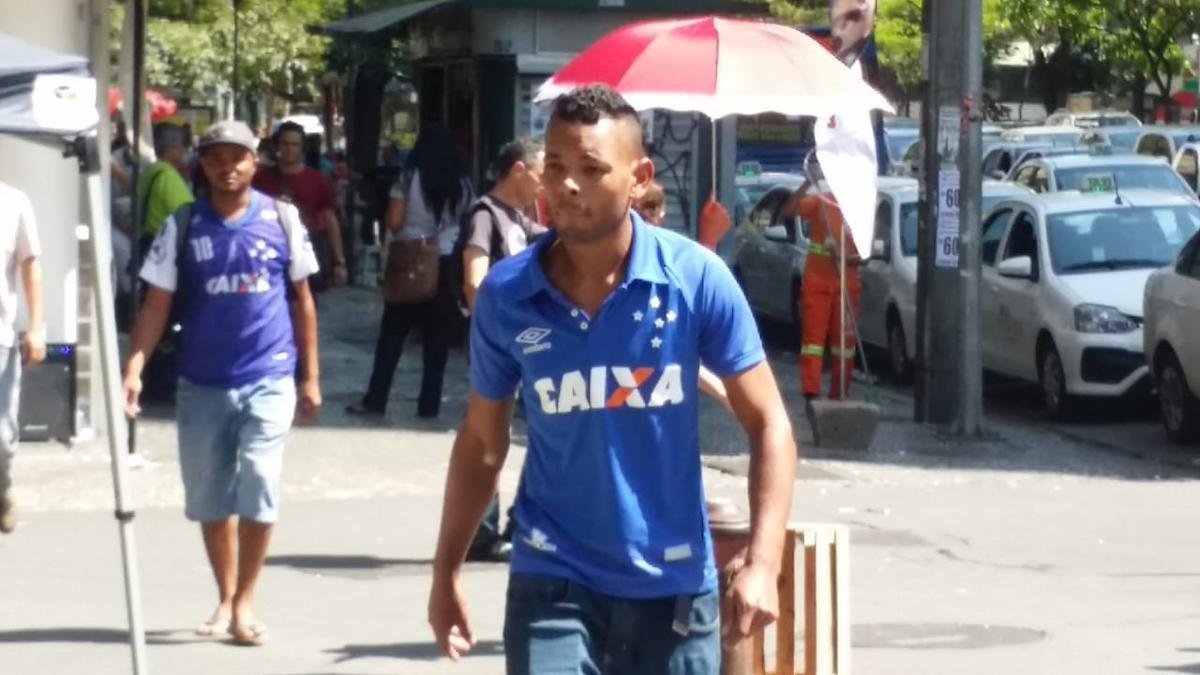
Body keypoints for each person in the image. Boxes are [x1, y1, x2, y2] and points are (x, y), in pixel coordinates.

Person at [428, 85, 797, 673]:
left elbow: (769, 423)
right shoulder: (507, 294)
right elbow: (481, 443)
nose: (567, 185)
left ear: (639, 176)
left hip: (673, 589)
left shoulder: (695, 279)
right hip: (552, 581)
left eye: (591, 168)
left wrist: (762, 561)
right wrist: (445, 570)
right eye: (556, 166)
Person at [122, 120, 322, 646]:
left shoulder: (281, 218)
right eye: (215, 157)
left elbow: (302, 300)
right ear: (201, 163)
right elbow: (157, 303)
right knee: (211, 499)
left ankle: (247, 600)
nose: (227, 166)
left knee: (258, 478)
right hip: (203, 381)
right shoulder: (184, 224)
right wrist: (134, 369)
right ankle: (228, 596)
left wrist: (310, 376)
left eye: (238, 157)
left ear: (257, 162)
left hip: (269, 375)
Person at [347, 124, 473, 420]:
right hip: (447, 262)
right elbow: (468, 220)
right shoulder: (464, 182)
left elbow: (393, 220)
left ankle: (375, 400)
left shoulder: (408, 178)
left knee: (392, 335)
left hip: (411, 263)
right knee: (437, 340)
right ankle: (429, 407)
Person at [459, 137, 545, 564]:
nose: (544, 185)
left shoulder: (520, 219)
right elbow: (474, 280)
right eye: (541, 174)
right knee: (489, 435)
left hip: (526, 344)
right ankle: (484, 530)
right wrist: (498, 327)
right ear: (518, 170)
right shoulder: (485, 215)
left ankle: (517, 524)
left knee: (540, 430)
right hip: (500, 346)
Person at [783, 164, 863, 407]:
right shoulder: (822, 202)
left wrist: (844, 257)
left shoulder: (861, 212)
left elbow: (868, 254)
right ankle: (811, 392)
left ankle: (840, 392)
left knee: (845, 346)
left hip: (846, 285)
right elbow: (789, 210)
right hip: (818, 283)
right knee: (813, 343)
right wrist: (808, 182)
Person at [0, 182, 45, 534]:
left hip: (1, 340)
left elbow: (30, 266)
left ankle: (1, 487)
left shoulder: (13, 201)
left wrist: (37, 327)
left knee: (2, 434)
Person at [253, 121, 347, 289]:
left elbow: (330, 219)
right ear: (277, 146)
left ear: (301, 147)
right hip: (269, 251)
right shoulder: (260, 179)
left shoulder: (316, 179)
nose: (290, 149)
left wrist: (339, 261)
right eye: (285, 143)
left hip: (307, 250)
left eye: (295, 144)